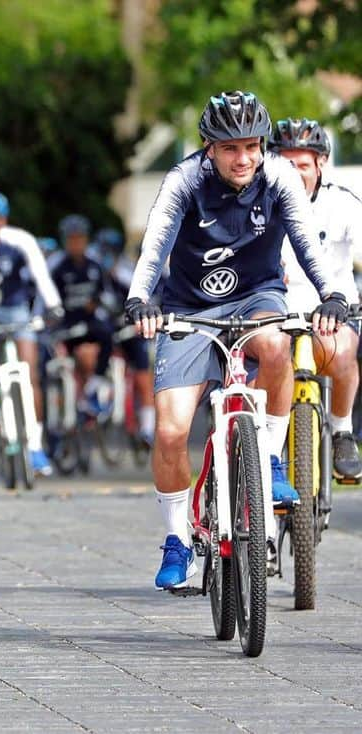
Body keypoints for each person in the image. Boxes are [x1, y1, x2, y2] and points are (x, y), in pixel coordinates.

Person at [125, 91, 344, 590]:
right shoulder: (184, 180)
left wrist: (330, 292)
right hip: (187, 307)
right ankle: (178, 540)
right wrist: (141, 298)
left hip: (256, 295)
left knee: (276, 342)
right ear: (209, 147)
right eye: (229, 148)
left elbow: (307, 241)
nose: (242, 157)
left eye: (251, 146)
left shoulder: (279, 176)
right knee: (172, 431)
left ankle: (266, 457)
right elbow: (155, 242)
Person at [272, 118, 362, 479]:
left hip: (335, 311)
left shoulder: (343, 204)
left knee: (340, 353)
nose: (295, 172)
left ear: (321, 163)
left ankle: (341, 430)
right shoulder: (258, 204)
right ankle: (262, 452)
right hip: (275, 314)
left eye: (303, 164)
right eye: (286, 163)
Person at [0, 191, 62, 476]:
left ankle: (34, 444)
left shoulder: (20, 241)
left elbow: (41, 275)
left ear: (3, 220)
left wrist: (54, 305)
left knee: (30, 374)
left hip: (15, 309)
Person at [50, 214, 117, 418]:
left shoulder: (94, 265)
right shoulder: (57, 267)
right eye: (71, 239)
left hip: (90, 323)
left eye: (80, 238)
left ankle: (93, 388)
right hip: (66, 325)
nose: (76, 244)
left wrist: (99, 304)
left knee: (107, 334)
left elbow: (107, 295)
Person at [94, 227, 155, 445]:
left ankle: (148, 426)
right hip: (108, 330)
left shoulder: (128, 273)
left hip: (130, 328)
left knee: (142, 373)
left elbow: (145, 299)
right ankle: (95, 397)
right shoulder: (95, 272)